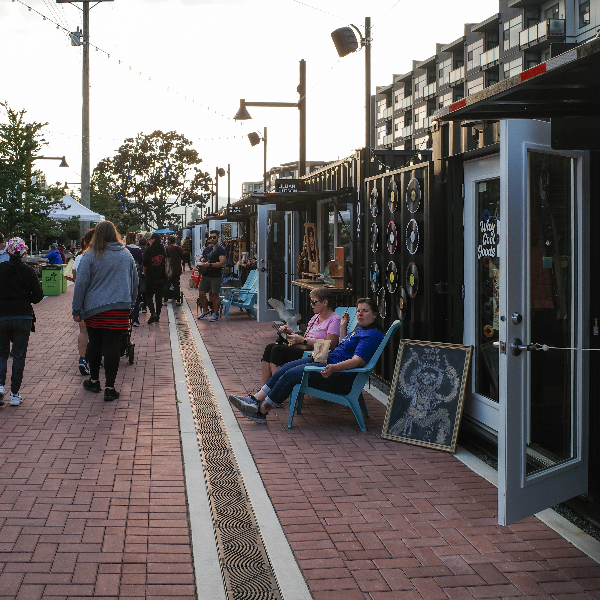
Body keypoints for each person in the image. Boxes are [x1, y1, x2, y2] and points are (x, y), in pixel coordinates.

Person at [229, 298, 384, 424]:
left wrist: (335, 368)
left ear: (375, 314)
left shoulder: (372, 335)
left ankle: (261, 411)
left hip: (336, 376)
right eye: (358, 310)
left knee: (291, 375)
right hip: (325, 362)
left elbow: (358, 361)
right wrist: (343, 327)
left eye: (365, 311)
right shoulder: (361, 330)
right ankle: (254, 400)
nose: (360, 314)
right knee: (286, 368)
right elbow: (344, 344)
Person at [72, 221, 138, 402]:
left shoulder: (90, 255)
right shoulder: (126, 255)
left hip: (94, 309)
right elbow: (134, 280)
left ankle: (94, 380)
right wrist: (130, 303)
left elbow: (81, 284)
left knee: (94, 344)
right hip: (119, 308)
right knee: (113, 347)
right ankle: (110, 387)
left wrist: (76, 309)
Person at [261, 287, 340, 386]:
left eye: (314, 302)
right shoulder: (315, 318)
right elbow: (305, 338)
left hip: (315, 355)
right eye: (311, 302)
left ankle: (275, 389)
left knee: (277, 350)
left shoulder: (334, 320)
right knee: (270, 348)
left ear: (325, 302)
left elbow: (330, 345)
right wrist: (290, 333)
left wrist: (304, 340)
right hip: (304, 349)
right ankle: (263, 389)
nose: (311, 305)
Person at [0, 237, 44, 406]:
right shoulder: (28, 271)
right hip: (23, 316)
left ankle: (0, 386)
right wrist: (27, 299)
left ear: (8, 252)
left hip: (2, 315)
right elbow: (38, 296)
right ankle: (15, 394)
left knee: (2, 353)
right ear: (23, 252)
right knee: (18, 355)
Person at [72, 227, 95, 375]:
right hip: (99, 300)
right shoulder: (100, 257)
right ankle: (95, 359)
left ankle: (82, 359)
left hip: (84, 299)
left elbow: (75, 275)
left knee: (83, 330)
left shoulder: (80, 257)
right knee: (98, 331)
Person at [197, 230, 227, 322]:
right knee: (201, 293)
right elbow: (202, 257)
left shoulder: (221, 250)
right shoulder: (206, 249)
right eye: (211, 237)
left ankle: (215, 314)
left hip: (216, 275)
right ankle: (205, 311)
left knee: (215, 295)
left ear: (218, 237)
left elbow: (221, 263)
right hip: (206, 275)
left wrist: (210, 265)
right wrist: (200, 262)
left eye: (214, 237)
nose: (212, 239)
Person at [143, 232, 167, 324]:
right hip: (162, 276)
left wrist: (145, 273)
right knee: (159, 297)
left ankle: (153, 313)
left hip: (150, 276)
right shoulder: (164, 249)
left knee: (149, 296)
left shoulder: (149, 250)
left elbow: (145, 263)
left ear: (153, 239)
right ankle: (157, 315)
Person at [125, 232, 143, 326]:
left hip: (126, 275)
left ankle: (127, 317)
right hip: (137, 274)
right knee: (136, 296)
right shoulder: (139, 250)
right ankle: (135, 318)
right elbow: (141, 261)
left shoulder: (125, 249)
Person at [166, 235, 184, 306]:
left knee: (167, 284)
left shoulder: (167, 249)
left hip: (168, 269)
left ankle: (165, 300)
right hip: (177, 269)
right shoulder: (179, 248)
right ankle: (178, 301)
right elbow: (182, 258)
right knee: (176, 285)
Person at [138, 237, 148, 313]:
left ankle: (139, 302)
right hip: (146, 273)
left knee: (138, 290)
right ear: (146, 243)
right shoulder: (148, 251)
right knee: (145, 291)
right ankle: (144, 307)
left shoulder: (138, 251)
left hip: (139, 272)